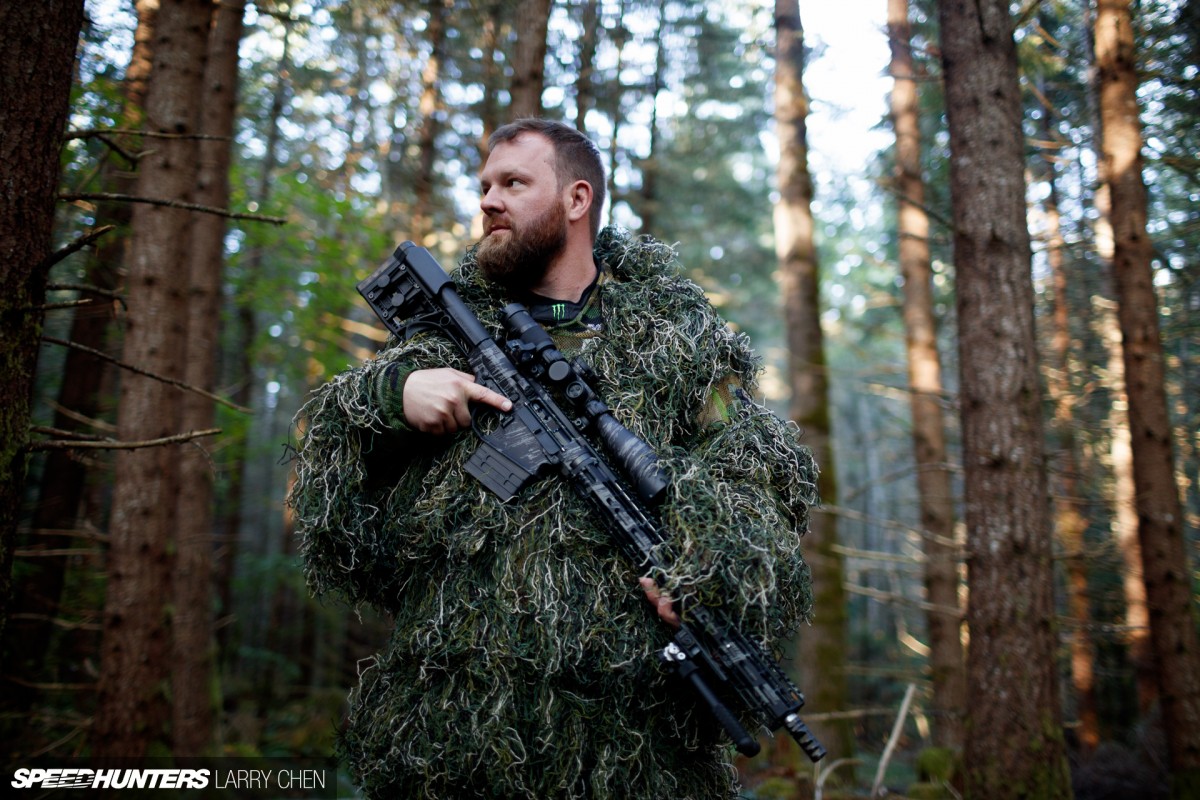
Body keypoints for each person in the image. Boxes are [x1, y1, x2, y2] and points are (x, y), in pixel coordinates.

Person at [289, 119, 817, 799]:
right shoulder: (441, 334)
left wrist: (700, 568)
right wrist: (394, 392)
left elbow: (762, 477)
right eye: (483, 185)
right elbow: (337, 493)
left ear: (576, 200)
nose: (486, 200)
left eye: (513, 183)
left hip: (628, 749)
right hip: (452, 730)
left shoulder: (675, 342)